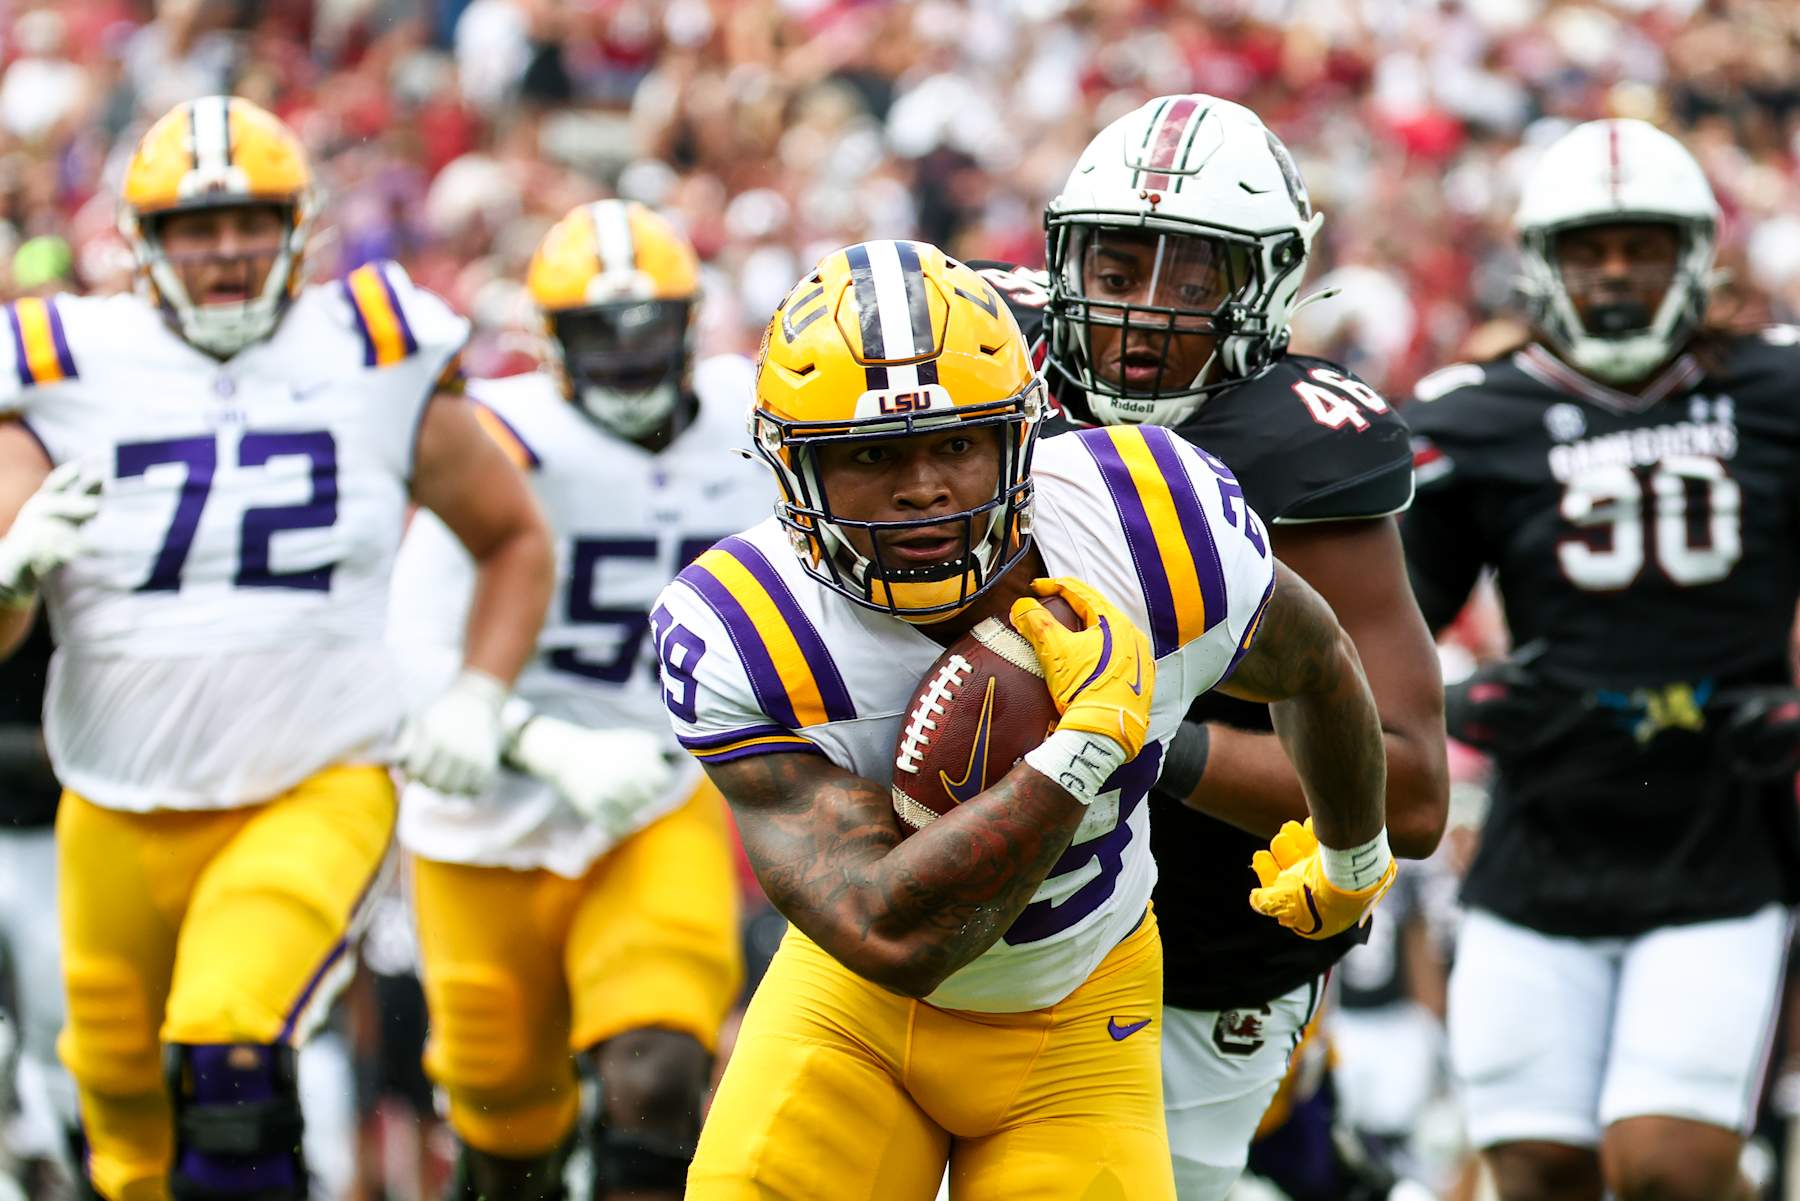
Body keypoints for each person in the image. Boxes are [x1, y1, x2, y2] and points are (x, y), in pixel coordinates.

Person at [651, 238, 1398, 1199]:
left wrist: (1353, 856)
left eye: (957, 443)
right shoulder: (744, 628)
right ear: (796, 470)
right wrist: (1080, 751)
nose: (924, 486)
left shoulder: (1148, 521)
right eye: (873, 454)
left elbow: (1319, 660)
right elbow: (895, 937)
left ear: (1019, 431)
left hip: (1082, 1015)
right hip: (857, 1012)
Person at [0, 95, 553, 1201]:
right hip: (114, 794)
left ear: (297, 226)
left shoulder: (373, 346)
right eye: (196, 229)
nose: (225, 251)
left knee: (232, 1049)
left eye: (250, 221)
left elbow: (512, 538)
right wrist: (8, 572)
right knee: (117, 1109)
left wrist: (478, 694)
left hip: (317, 777)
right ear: (143, 241)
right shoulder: (58, 360)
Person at [970, 94, 1448, 1199]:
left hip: (1201, 961)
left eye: (1194, 278)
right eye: (1119, 263)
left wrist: (1134, 735)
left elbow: (1410, 796)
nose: (1143, 311)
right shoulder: (989, 368)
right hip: (989, 927)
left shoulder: (1301, 455)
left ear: (1269, 287)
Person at [1401, 117, 1800, 1201]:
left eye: (1643, 247)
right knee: (1535, 1170)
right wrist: (1457, 696)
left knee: (1670, 1166)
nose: (1616, 272)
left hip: (1723, 834)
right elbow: (1377, 628)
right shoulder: (1471, 416)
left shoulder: (1778, 389)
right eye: (1589, 248)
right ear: (1541, 263)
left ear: (1696, 257)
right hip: (1546, 832)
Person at [389, 200, 757, 1201]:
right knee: (507, 1120)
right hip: (483, 818)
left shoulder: (753, 418)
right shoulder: (503, 436)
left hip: (654, 790)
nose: (632, 356)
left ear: (692, 324)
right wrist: (540, 742)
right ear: (550, 340)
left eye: (650, 328)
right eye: (603, 333)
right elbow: (409, 645)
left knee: (662, 1065)